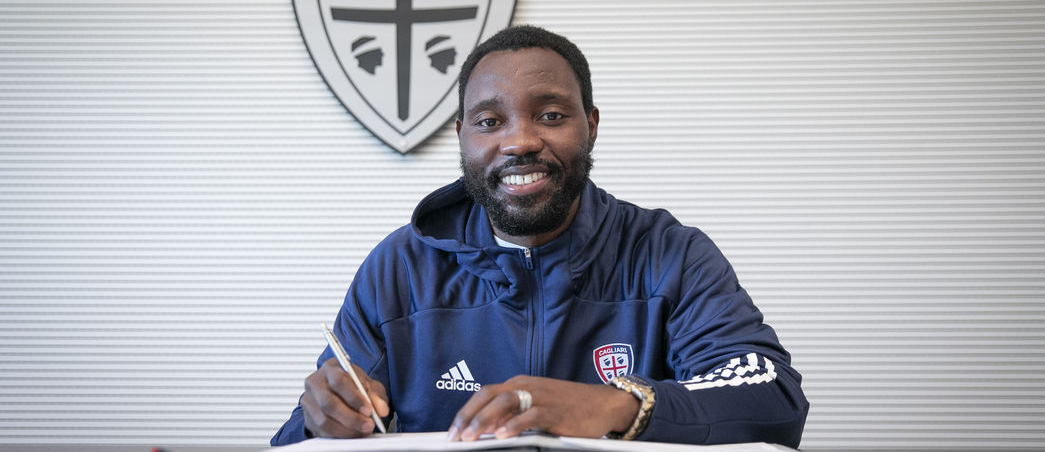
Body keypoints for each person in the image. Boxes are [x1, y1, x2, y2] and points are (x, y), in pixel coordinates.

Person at [271, 25, 809, 448]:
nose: (520, 141)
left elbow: (773, 397)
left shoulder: (670, 253)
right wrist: (321, 419)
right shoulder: (400, 267)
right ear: (461, 137)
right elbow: (305, 433)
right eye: (489, 122)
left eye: (550, 115)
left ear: (590, 125)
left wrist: (614, 406)